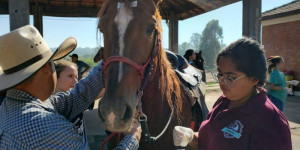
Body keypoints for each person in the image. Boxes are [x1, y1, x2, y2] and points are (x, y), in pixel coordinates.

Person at [0, 25, 140, 149]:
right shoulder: (46, 127)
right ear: (47, 69)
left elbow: (75, 98)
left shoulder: (10, 108)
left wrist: (107, 63)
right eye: (53, 64)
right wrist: (132, 140)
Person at [173, 37, 292, 150]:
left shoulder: (271, 123)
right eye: (220, 74)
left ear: (254, 79)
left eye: (230, 77)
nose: (222, 82)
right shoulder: (223, 102)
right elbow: (211, 139)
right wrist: (191, 137)